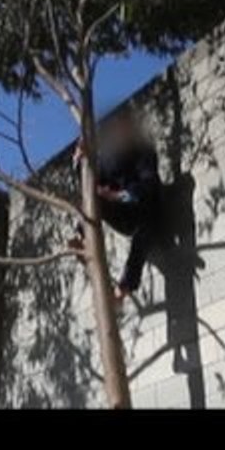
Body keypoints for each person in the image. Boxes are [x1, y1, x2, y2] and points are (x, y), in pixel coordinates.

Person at [69, 108, 164, 305]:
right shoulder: (110, 159)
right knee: (92, 196)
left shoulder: (144, 152)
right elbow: (91, 181)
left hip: (145, 211)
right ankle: (81, 237)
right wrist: (79, 162)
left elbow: (149, 186)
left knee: (146, 226)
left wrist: (117, 196)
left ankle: (123, 289)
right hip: (121, 214)